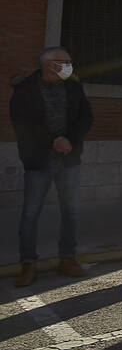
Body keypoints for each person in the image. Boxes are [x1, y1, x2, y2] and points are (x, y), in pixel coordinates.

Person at [10, 47, 93, 288]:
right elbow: (21, 122)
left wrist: (69, 139)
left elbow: (86, 117)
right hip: (38, 161)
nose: (69, 66)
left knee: (71, 212)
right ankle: (28, 264)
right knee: (30, 213)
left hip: (69, 159)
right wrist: (52, 140)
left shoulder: (73, 86)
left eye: (69, 62)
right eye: (64, 62)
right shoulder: (25, 89)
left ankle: (67, 259)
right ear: (49, 64)